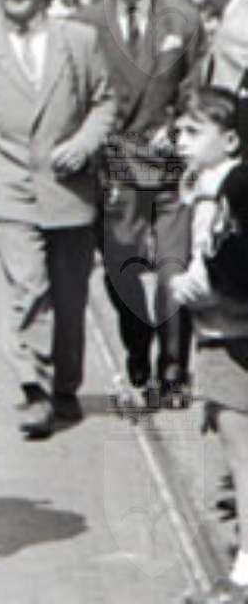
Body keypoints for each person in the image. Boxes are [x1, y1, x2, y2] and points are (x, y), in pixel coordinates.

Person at [0, 0, 118, 437]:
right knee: (28, 289)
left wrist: (84, 144)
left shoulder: (78, 40)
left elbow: (104, 102)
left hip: (69, 187)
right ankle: (35, 390)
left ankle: (65, 387)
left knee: (69, 299)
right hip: (10, 188)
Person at [79, 0, 199, 412]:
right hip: (117, 164)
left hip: (170, 160)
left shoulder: (181, 18)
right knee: (121, 267)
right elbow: (82, 96)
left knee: (175, 265)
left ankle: (174, 368)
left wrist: (180, 125)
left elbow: (195, 82)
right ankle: (137, 350)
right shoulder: (87, 25)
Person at [167, 88, 248, 604]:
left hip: (229, 336)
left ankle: (244, 576)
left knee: (242, 456)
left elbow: (218, 270)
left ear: (231, 140)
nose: (181, 140)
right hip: (229, 334)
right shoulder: (213, 186)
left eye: (194, 132)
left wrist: (182, 288)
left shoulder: (222, 194)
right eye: (178, 131)